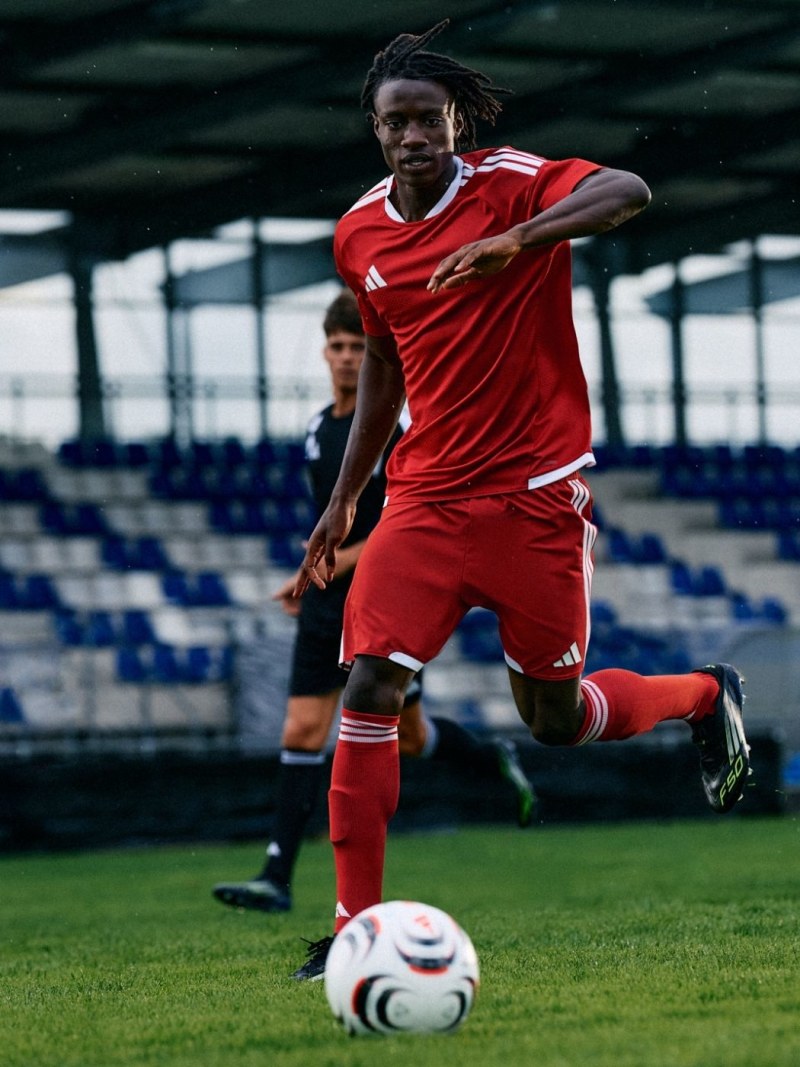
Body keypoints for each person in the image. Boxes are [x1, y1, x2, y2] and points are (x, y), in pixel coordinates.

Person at [289, 20, 751, 981]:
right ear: (376, 130)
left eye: (430, 118)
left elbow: (629, 190)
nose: (415, 135)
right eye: (397, 122)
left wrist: (521, 239)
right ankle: (353, 929)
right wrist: (346, 497)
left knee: (555, 718)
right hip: (422, 499)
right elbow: (384, 363)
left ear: (455, 122)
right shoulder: (358, 236)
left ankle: (706, 695)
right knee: (370, 685)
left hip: (535, 496)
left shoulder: (511, 183)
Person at [212, 288, 535, 915]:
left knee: (410, 737)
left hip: (386, 594)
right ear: (324, 352)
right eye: (336, 346)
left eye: (357, 347)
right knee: (303, 729)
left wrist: (331, 561)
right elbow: (330, 521)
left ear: (375, 353)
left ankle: (491, 756)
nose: (345, 357)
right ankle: (276, 877)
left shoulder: (397, 430)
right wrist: (308, 572)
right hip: (326, 601)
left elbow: (402, 521)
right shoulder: (317, 429)